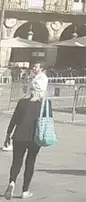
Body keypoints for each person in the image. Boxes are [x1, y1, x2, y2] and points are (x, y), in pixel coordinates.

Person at [3, 70, 48, 199]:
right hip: (35, 137)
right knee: (30, 162)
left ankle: (12, 182)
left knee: (16, 161)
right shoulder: (44, 104)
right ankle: (25, 191)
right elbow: (47, 122)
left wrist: (8, 134)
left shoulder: (22, 102)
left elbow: (14, 119)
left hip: (19, 136)